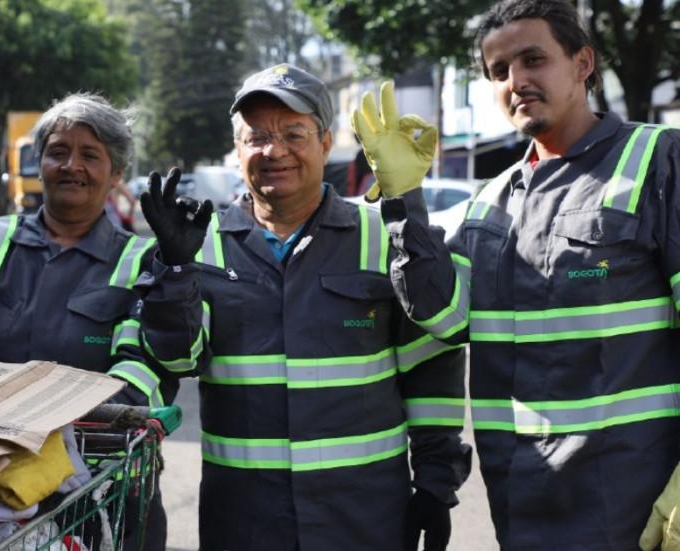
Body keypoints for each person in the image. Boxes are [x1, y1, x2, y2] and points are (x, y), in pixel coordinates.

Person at [351, 1, 680, 549]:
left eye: (533, 59)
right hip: (524, 505)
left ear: (582, 63)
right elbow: (443, 315)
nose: (516, 81)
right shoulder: (491, 202)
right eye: (499, 70)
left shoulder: (658, 161)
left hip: (636, 508)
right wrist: (404, 199)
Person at [139, 63, 471, 550]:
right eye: (256, 137)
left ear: (325, 143)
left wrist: (436, 482)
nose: (274, 151)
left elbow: (434, 359)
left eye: (293, 134)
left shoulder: (385, 238)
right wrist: (174, 270)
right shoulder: (198, 245)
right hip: (245, 524)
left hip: (365, 520)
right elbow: (176, 359)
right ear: (237, 149)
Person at [0, 93, 211, 551]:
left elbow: (155, 370)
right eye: (58, 151)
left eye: (90, 155)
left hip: (99, 495)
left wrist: (177, 268)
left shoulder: (142, 259)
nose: (71, 166)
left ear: (116, 173)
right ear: (38, 162)